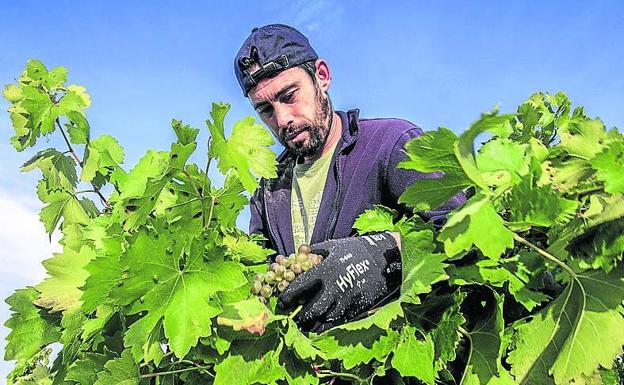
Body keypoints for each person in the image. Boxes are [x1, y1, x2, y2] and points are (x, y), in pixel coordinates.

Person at [234, 24, 465, 333]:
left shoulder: (392, 143)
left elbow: (461, 233)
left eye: (289, 96)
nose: (282, 119)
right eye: (265, 109)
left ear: (322, 76)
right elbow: (265, 278)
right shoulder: (267, 191)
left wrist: (382, 255)